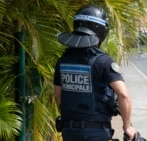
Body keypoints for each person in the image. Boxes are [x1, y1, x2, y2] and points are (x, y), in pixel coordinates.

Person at [54, 5, 136, 141]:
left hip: (69, 131)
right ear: (101, 31)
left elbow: (58, 96)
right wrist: (127, 126)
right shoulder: (103, 61)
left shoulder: (63, 61)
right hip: (96, 132)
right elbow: (123, 95)